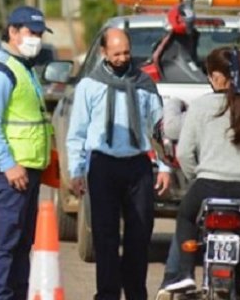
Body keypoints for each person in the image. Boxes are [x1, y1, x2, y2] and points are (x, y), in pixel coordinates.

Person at [66, 27, 172, 300]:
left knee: (139, 236)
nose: (123, 58)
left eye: (126, 52)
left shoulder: (144, 84)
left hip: (138, 168)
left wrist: (165, 166)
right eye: (116, 53)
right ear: (103, 53)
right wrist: (76, 171)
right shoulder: (90, 86)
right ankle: (108, 294)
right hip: (103, 167)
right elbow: (77, 132)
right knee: (105, 236)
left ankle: (136, 293)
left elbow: (159, 130)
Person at [164, 47, 240, 296]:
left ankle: (187, 274)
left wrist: (197, 176)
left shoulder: (200, 107)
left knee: (186, 217)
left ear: (214, 77)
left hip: (207, 187)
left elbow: (184, 154)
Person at [0, 5, 53, 299]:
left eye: (39, 33)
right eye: (30, 32)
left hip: (27, 171)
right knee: (3, 242)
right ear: (12, 32)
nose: (36, 38)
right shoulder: (2, 71)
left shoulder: (23, 67)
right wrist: (9, 164)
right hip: (10, 172)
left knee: (22, 243)